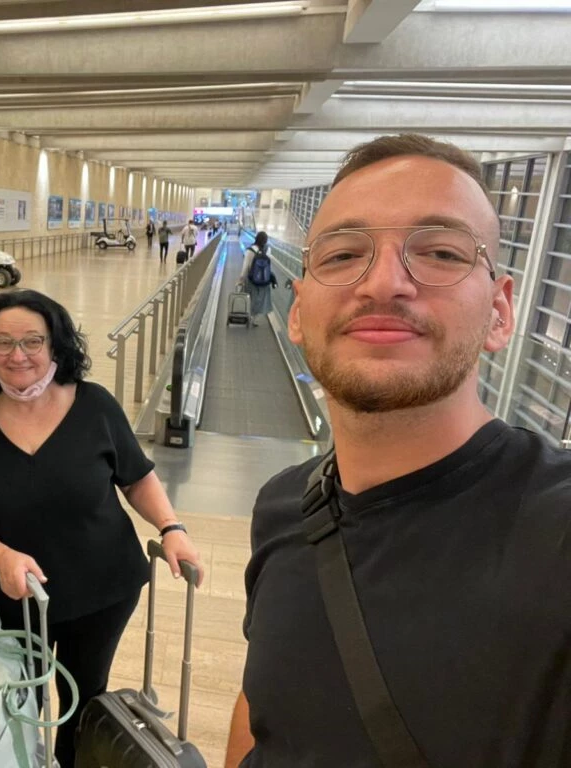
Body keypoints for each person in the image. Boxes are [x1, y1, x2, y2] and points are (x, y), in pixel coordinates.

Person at [223, 134, 571, 767]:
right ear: (298, 312)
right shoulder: (284, 505)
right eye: (344, 253)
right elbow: (264, 705)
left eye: (439, 252)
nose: (384, 282)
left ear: (500, 311)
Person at [0, 289, 204, 768]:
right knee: (20, 703)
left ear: (56, 346)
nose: (18, 354)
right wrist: (2, 557)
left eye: (32, 341)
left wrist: (172, 527)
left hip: (104, 589)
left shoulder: (94, 405)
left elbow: (137, 477)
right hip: (18, 597)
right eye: (3, 342)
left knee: (83, 700)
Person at [234, 231, 278, 327]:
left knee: (250, 298)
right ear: (265, 241)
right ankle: (253, 318)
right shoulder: (268, 250)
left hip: (251, 279)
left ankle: (248, 315)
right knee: (260, 300)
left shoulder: (250, 250)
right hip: (264, 281)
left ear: (256, 238)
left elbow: (245, 267)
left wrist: (240, 280)